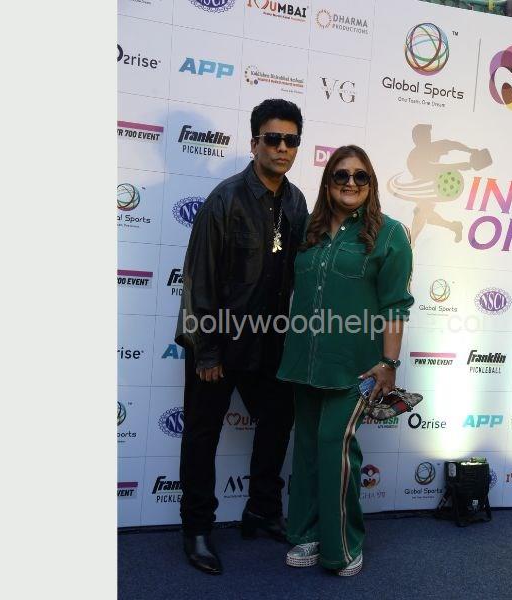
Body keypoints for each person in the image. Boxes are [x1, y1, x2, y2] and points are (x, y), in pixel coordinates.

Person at [174, 99, 309, 576]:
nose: (282, 147)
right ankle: (196, 528)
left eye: (291, 140)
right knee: (202, 436)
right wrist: (207, 350)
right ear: (254, 143)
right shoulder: (225, 198)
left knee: (277, 424)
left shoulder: (296, 202)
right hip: (219, 341)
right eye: (273, 138)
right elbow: (200, 278)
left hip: (270, 341)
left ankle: (262, 511)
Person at [276, 145, 414, 576]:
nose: (350, 183)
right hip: (304, 361)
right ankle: (306, 533)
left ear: (371, 184)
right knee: (307, 450)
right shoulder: (308, 230)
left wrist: (389, 363)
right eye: (341, 175)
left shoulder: (390, 234)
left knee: (336, 449)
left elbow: (395, 304)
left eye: (360, 176)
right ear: (328, 183)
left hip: (357, 368)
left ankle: (343, 545)